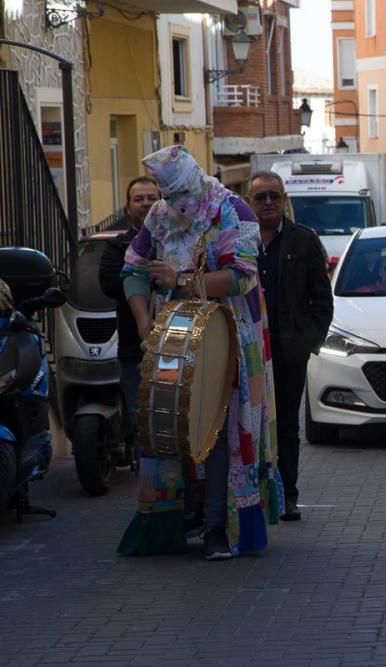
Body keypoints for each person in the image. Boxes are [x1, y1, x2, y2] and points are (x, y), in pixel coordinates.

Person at [116, 145, 283, 561]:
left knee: (219, 428)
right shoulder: (158, 216)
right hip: (169, 337)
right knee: (168, 426)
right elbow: (133, 266)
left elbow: (242, 276)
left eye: (180, 196)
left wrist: (182, 279)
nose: (177, 206)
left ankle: (219, 527)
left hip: (228, 337)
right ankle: (175, 518)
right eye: (168, 197)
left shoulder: (233, 210)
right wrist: (141, 320)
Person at [249, 171, 333, 522]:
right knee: (249, 424)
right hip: (248, 351)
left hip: (287, 352)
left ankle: (288, 496)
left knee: (285, 425)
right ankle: (252, 496)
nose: (267, 202)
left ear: (284, 199)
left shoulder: (303, 241)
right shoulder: (236, 241)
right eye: (260, 197)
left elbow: (322, 301)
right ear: (249, 201)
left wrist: (306, 344)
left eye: (273, 196)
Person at [98, 176, 161, 469]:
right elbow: (111, 283)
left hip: (180, 346)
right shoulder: (117, 246)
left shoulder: (175, 241)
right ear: (128, 207)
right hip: (134, 349)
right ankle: (149, 490)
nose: (146, 203)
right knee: (142, 421)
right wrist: (151, 274)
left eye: (152, 198)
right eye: (139, 199)